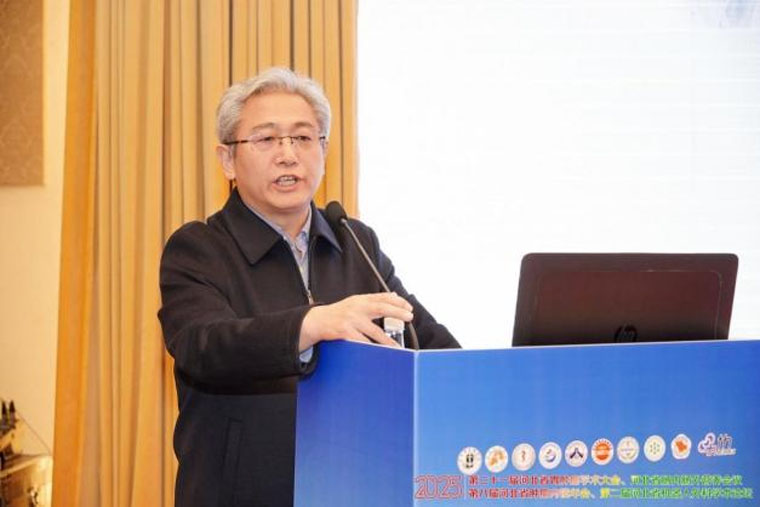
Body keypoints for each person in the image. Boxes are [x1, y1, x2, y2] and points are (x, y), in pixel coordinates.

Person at [158, 67, 460, 507]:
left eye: (303, 137)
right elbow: (203, 347)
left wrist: (487, 375)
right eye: (266, 139)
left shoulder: (355, 242)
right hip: (241, 494)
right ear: (227, 160)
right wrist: (312, 324)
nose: (288, 155)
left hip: (352, 486)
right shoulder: (199, 248)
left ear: (323, 150)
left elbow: (426, 341)